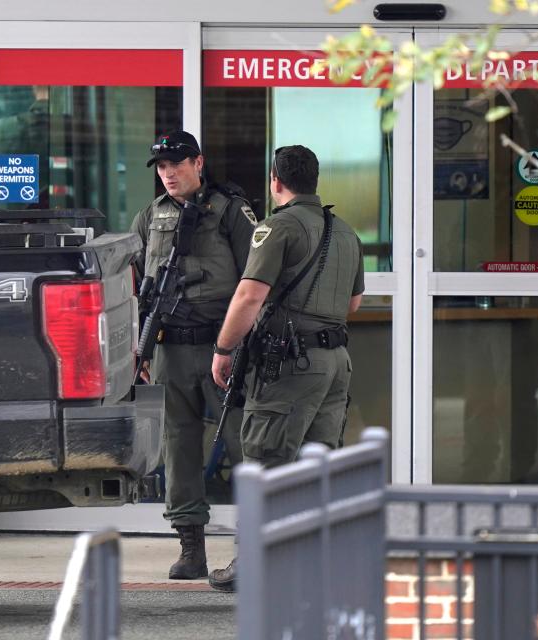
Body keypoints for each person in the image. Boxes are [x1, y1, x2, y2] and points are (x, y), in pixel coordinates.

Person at [208, 144, 364, 592]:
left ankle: (255, 564)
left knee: (268, 459)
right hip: (335, 362)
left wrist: (224, 348)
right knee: (318, 463)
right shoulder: (346, 232)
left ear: (275, 180)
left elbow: (249, 296)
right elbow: (353, 302)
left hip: (291, 362)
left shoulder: (277, 228)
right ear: (315, 180)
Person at [131, 130, 257, 580]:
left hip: (222, 345)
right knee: (178, 445)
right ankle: (190, 547)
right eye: (161, 167)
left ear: (197, 164)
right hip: (171, 347)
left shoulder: (230, 210)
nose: (168, 173)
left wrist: (241, 342)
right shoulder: (151, 216)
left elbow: (255, 280)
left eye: (176, 164)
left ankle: (253, 542)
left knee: (245, 442)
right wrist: (139, 345)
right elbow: (136, 283)